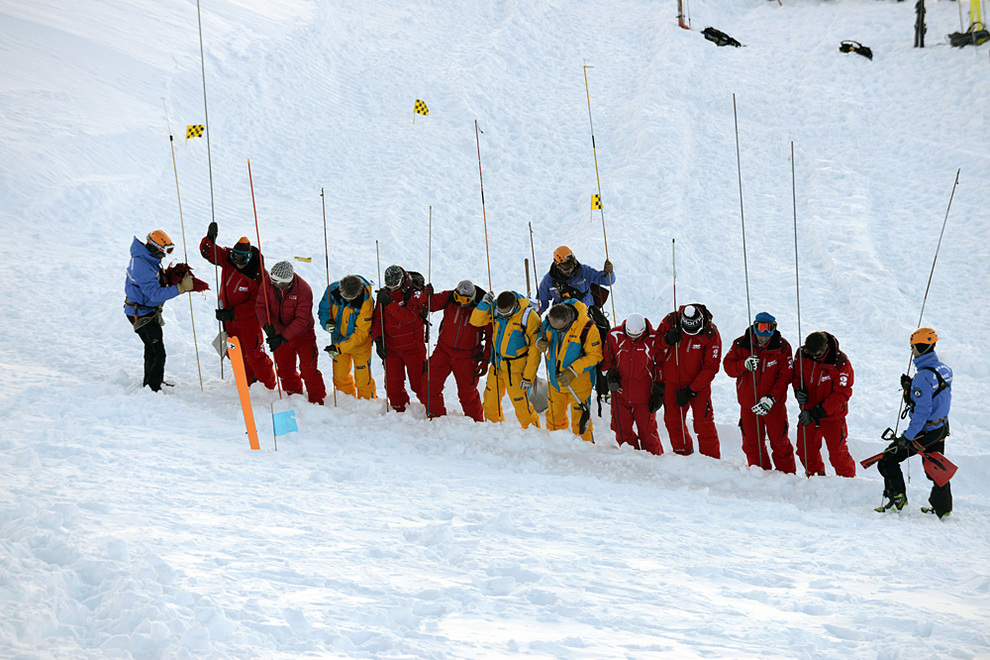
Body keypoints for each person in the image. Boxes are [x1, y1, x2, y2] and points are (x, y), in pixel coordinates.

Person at [876, 327, 953, 517]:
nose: (911, 351)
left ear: (918, 348)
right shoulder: (944, 369)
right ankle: (944, 509)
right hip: (941, 427)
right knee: (936, 467)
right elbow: (937, 398)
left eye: (912, 347)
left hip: (925, 430)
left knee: (888, 459)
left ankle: (898, 501)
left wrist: (907, 437)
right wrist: (911, 390)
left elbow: (922, 411)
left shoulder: (923, 377)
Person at [200, 222, 276, 389]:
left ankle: (268, 386)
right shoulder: (229, 260)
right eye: (235, 258)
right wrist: (209, 240)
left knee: (255, 354)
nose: (238, 262)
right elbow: (209, 253)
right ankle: (248, 383)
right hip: (230, 320)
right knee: (235, 353)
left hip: (248, 322)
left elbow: (255, 304)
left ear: (249, 258)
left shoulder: (258, 275)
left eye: (241, 259)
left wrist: (232, 313)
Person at [723, 311, 796, 473]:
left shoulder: (783, 348)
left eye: (768, 329)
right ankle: (760, 476)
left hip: (773, 407)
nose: (764, 334)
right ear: (755, 327)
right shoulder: (740, 345)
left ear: (774, 329)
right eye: (761, 328)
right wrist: (743, 365)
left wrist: (771, 399)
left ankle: (787, 477)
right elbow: (728, 367)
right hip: (749, 406)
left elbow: (785, 377)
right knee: (751, 444)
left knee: (780, 443)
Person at [124, 230, 194, 391]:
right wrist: (180, 288)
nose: (166, 255)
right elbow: (154, 294)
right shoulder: (142, 266)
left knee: (151, 348)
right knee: (158, 352)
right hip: (140, 313)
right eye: (166, 251)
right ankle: (153, 388)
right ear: (156, 248)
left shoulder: (147, 260)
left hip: (146, 311)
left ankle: (151, 383)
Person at [523, 300, 603, 442]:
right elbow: (539, 336)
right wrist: (540, 341)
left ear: (569, 321)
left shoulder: (588, 328)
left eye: (559, 329)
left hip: (579, 384)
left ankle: (586, 449)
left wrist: (572, 371)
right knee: (554, 417)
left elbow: (595, 356)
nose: (555, 330)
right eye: (552, 327)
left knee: (580, 422)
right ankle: (557, 446)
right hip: (555, 381)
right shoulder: (550, 321)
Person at [255, 260, 326, 404]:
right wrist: (267, 326)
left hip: (303, 335)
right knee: (285, 370)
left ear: (286, 282)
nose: (271, 281)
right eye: (271, 278)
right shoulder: (267, 283)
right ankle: (293, 397)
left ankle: (317, 400)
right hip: (278, 333)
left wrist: (282, 337)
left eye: (275, 280)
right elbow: (261, 306)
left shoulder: (304, 290)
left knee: (308, 370)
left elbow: (301, 320)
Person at [656, 304, 722, 458]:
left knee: (703, 423)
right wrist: (667, 339)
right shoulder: (671, 320)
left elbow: (711, 367)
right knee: (673, 421)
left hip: (699, 385)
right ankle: (682, 455)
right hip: (672, 381)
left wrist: (692, 389)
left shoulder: (711, 333)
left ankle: (711, 460)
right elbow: (656, 343)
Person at [470, 290, 541, 428]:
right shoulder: (497, 308)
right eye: (500, 313)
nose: (502, 316)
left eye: (506, 314)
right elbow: (475, 321)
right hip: (496, 367)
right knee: (490, 404)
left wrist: (528, 377)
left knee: (522, 407)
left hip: (516, 371)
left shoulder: (529, 317)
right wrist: (484, 305)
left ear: (514, 307)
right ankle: (494, 430)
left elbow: (535, 351)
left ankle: (533, 435)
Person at [792, 331, 856, 478]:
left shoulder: (841, 363)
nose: (815, 358)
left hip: (832, 416)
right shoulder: (801, 354)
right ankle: (816, 479)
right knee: (805, 450)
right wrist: (798, 390)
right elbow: (796, 376)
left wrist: (817, 412)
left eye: (819, 355)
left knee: (837, 454)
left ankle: (849, 483)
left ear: (826, 346)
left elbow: (842, 394)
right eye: (812, 355)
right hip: (808, 413)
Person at [425, 280, 490, 421]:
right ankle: (434, 418)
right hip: (443, 351)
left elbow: (491, 338)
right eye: (458, 298)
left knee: (468, 394)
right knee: (430, 384)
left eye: (465, 299)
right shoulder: (449, 298)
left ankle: (476, 423)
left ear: (472, 297)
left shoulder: (483, 309)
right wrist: (427, 295)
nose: (461, 302)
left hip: (467, 357)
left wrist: (485, 360)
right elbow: (431, 304)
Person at [600, 313, 664, 454]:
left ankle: (655, 461)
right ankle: (630, 458)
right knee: (622, 431)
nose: (633, 338)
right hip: (620, 393)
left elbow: (661, 365)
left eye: (637, 335)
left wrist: (659, 391)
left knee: (648, 433)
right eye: (630, 334)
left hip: (644, 395)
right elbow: (607, 358)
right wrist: (610, 374)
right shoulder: (614, 335)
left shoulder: (655, 339)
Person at [372, 265, 429, 412]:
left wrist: (389, 303)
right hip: (391, 348)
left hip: (414, 348)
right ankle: (399, 411)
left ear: (402, 281)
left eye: (394, 286)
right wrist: (378, 340)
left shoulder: (415, 294)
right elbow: (378, 319)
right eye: (388, 286)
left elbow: (407, 317)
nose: (391, 290)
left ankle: (433, 410)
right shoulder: (384, 295)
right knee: (392, 385)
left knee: (419, 384)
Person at [318, 274, 377, 399]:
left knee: (363, 380)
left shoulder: (366, 302)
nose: (347, 300)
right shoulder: (332, 290)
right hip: (338, 339)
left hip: (360, 345)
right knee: (340, 377)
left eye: (350, 298)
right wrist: (326, 322)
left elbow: (360, 334)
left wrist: (338, 348)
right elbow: (323, 310)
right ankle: (346, 402)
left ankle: (368, 405)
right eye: (344, 297)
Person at [536, 245, 615, 314]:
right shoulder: (548, 280)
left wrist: (609, 273)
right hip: (563, 320)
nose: (570, 269)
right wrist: (532, 317)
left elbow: (607, 281)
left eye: (572, 263)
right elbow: (541, 303)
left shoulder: (585, 271)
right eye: (566, 267)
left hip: (586, 315)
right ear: (557, 265)